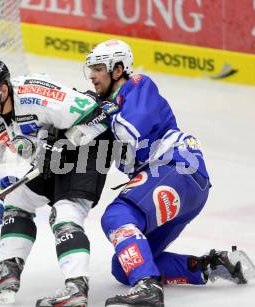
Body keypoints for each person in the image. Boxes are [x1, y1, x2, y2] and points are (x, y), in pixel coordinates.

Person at [78, 39, 255, 306]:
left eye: (99, 68)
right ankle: (213, 266)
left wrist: (101, 113)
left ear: (118, 69)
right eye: (90, 69)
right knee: (125, 265)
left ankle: (148, 287)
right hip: (180, 184)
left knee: (117, 215)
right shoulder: (108, 110)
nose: (91, 75)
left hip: (177, 167)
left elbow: (131, 132)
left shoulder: (137, 84)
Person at [0, 58, 113, 306]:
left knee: (65, 212)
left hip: (89, 150)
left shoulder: (37, 94)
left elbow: (101, 114)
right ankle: (9, 272)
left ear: (4, 90)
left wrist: (68, 141)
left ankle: (76, 287)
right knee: (17, 199)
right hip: (49, 158)